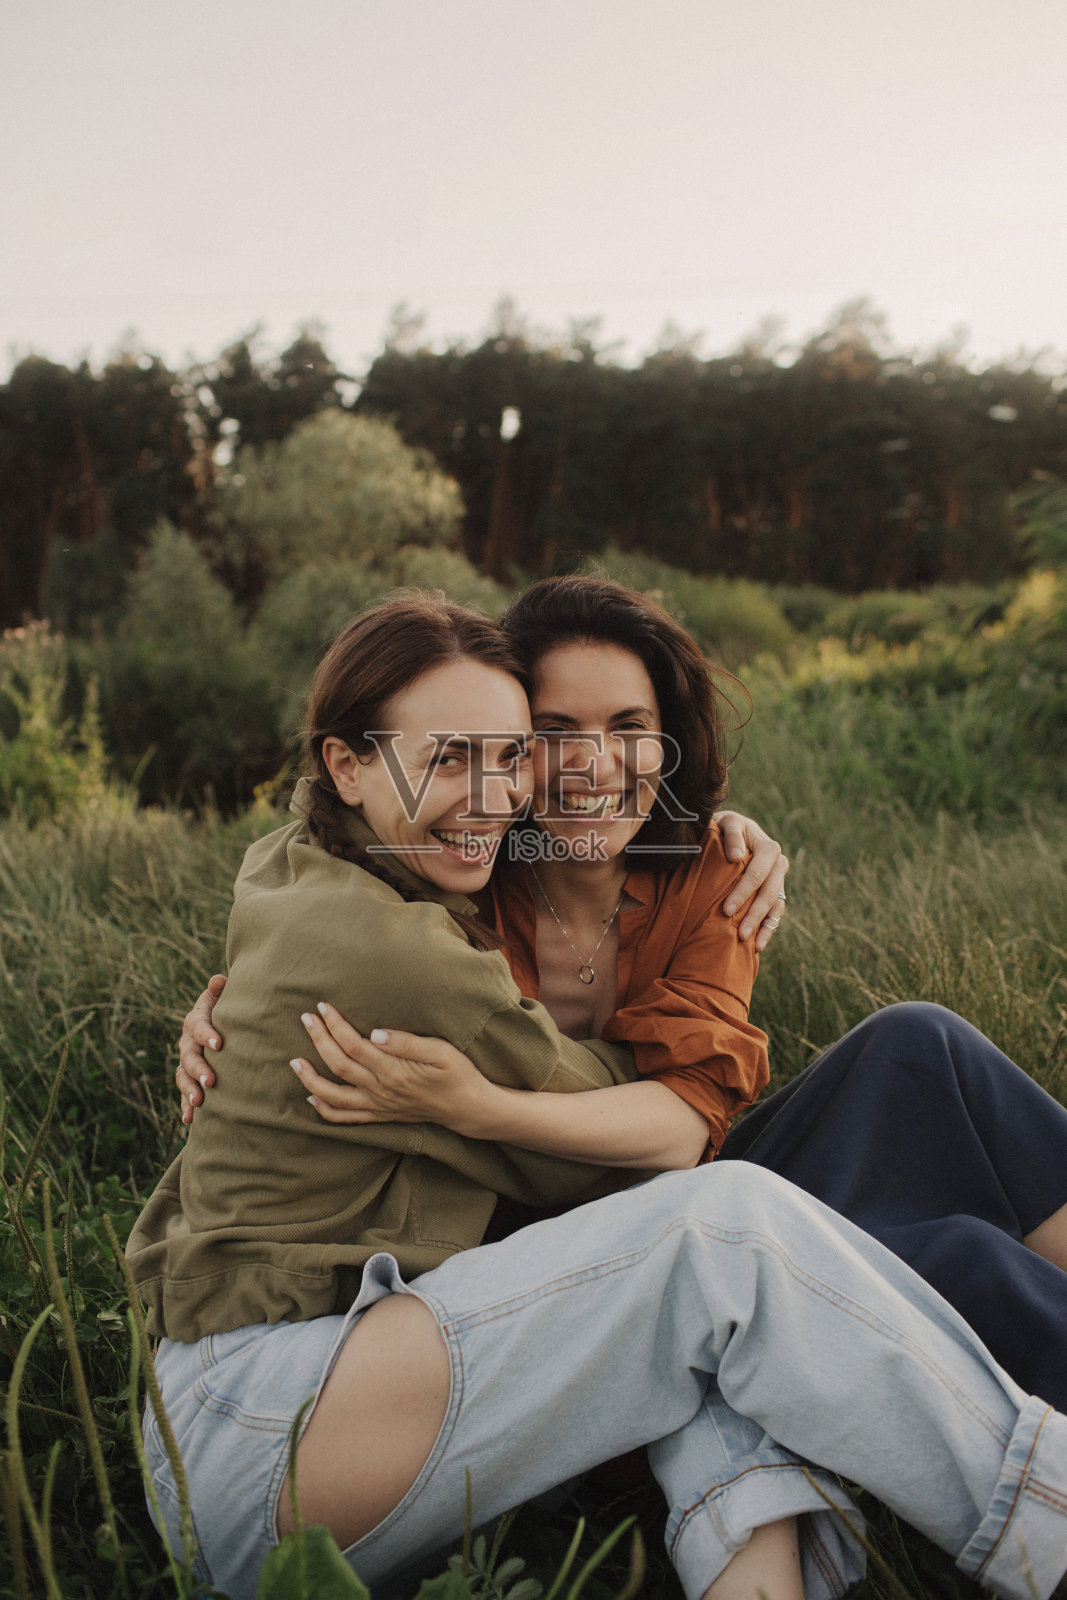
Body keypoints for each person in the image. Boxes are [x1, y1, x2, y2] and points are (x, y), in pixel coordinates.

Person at [142, 591, 1067, 1600]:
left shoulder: (341, 861)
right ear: (348, 765)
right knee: (737, 1241)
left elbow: (666, 1127)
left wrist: (304, 1019)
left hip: (378, 1357)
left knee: (905, 1053)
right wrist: (258, 1026)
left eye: (505, 755)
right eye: (490, 749)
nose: (502, 787)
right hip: (281, 1416)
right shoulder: (444, 906)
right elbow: (646, 1139)